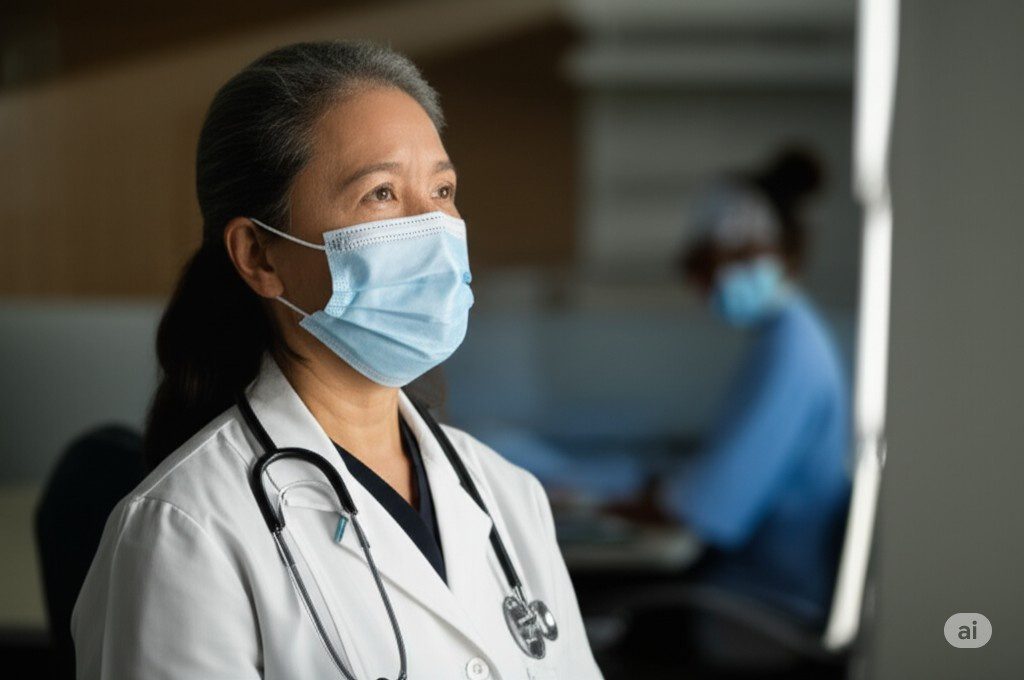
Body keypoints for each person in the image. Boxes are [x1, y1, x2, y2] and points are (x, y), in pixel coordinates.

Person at [71, 41, 602, 680]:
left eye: (441, 187)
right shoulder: (183, 532)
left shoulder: (506, 495)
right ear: (260, 257)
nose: (433, 228)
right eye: (380, 194)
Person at [630, 147, 852, 629]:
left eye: (718, 266)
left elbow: (702, 511)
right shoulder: (791, 335)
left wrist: (599, 497)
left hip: (759, 607)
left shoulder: (792, 350)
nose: (708, 287)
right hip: (756, 587)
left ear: (776, 254)